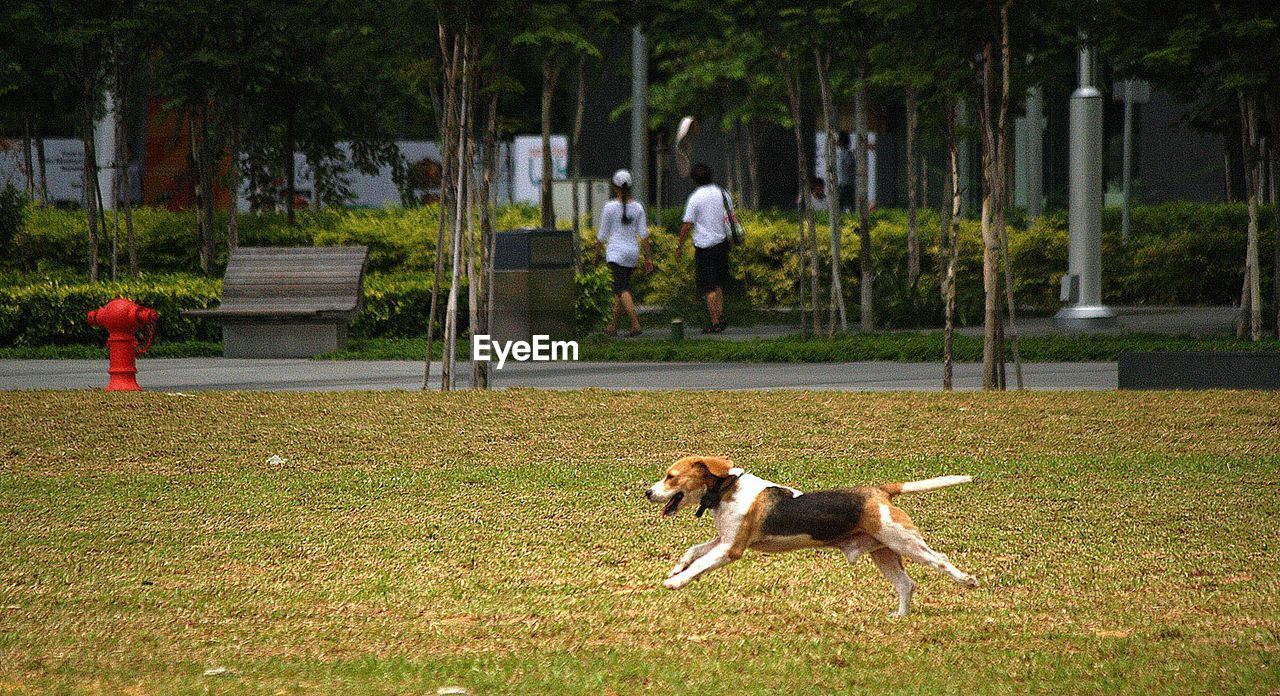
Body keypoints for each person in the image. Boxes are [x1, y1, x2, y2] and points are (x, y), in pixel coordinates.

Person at [676, 162, 733, 333]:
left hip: (705, 247)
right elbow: (730, 215)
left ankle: (715, 322)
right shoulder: (723, 193)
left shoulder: (695, 198)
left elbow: (687, 225)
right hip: (722, 245)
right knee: (717, 284)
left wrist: (679, 245)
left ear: (694, 180)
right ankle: (720, 315)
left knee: (708, 287)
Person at [596, 169, 652, 337]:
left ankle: (635, 324)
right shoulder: (638, 207)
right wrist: (649, 257)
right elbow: (644, 235)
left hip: (615, 254)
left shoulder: (610, 207)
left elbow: (602, 234)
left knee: (622, 289)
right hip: (632, 254)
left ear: (615, 187)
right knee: (620, 290)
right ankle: (614, 326)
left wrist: (596, 254)